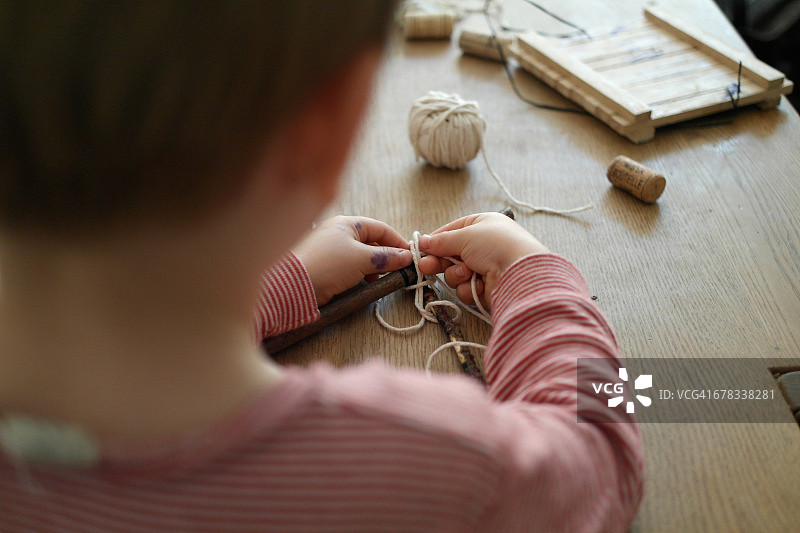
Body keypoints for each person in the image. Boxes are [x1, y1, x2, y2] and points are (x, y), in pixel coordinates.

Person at [0, 2, 643, 531]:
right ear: (327, 130)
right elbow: (600, 460)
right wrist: (538, 280)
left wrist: (280, 283)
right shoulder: (421, 461)